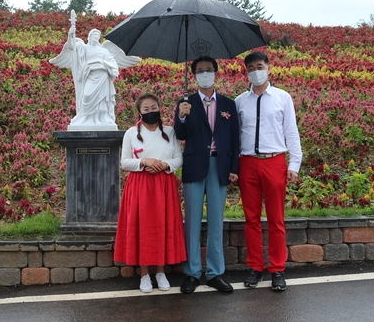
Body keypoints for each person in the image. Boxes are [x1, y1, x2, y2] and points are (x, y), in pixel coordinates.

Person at [235, 51, 302, 292]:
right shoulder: (240, 101)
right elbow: (235, 136)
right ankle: (255, 266)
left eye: (259, 66)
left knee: (276, 219)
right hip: (248, 163)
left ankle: (277, 268)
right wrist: (234, 167)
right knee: (251, 219)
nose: (256, 71)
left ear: (269, 68)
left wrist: (294, 164)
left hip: (275, 161)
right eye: (251, 67)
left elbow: (291, 132)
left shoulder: (283, 98)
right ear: (246, 71)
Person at [173, 56, 240, 294]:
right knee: (191, 222)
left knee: (216, 221)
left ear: (216, 73)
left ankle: (214, 272)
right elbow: (180, 134)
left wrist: (234, 168)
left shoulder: (228, 104)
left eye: (208, 70)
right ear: (193, 76)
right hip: (194, 166)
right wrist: (181, 115)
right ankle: (192, 272)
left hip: (219, 166)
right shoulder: (186, 102)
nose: (204, 74)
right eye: (200, 71)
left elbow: (234, 139)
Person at [114, 93, 186, 293]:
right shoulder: (130, 133)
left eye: (154, 107)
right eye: (146, 109)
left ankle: (161, 271)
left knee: (162, 225)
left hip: (164, 184)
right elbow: (125, 162)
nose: (151, 112)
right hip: (140, 185)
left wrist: (164, 164)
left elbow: (178, 158)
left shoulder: (170, 132)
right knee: (143, 227)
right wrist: (144, 162)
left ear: (160, 108)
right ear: (139, 112)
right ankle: (144, 274)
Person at [50, 10, 140, 130]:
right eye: (93, 35)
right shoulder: (84, 48)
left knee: (102, 100)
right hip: (90, 76)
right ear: (89, 36)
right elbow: (72, 47)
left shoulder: (104, 50)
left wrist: (101, 63)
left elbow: (112, 63)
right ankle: (85, 118)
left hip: (102, 77)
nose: (95, 37)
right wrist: (70, 35)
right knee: (86, 95)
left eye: (97, 35)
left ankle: (102, 119)